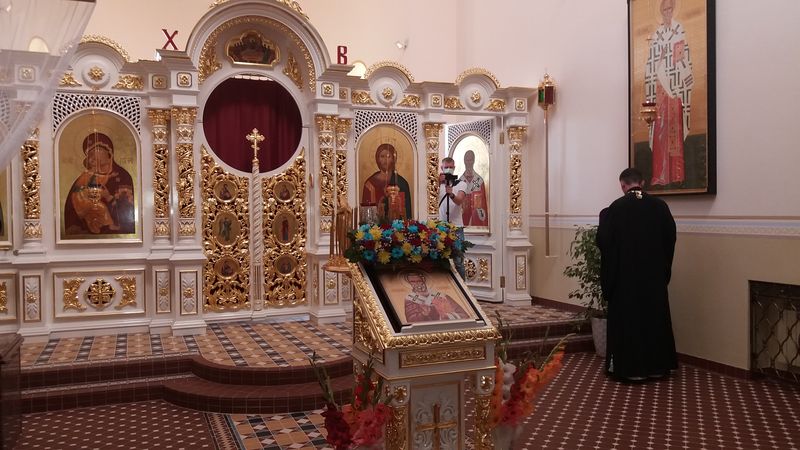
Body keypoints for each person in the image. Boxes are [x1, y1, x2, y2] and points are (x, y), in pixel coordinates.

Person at [597, 168, 677, 382]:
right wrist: (661, 270)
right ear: (642, 182)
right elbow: (670, 238)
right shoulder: (660, 206)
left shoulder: (616, 208)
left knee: (629, 322)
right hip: (654, 279)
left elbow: (604, 241)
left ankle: (631, 370)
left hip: (625, 280)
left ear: (622, 185)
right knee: (655, 320)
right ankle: (657, 368)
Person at [645, 0, 694, 187]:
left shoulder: (679, 29)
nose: (667, 12)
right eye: (664, 10)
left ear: (673, 10)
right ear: (661, 11)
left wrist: (675, 60)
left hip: (674, 89)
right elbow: (651, 63)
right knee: (660, 131)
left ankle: (676, 174)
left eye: (669, 9)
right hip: (660, 89)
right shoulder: (657, 34)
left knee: (674, 130)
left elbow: (683, 57)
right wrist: (660, 57)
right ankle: (660, 175)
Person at [64, 132, 135, 236]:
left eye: (96, 151)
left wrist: (108, 197)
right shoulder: (86, 177)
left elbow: (128, 212)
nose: (92, 157)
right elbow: (71, 214)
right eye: (89, 154)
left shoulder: (123, 176)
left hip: (116, 234)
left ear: (109, 151)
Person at [361, 143, 412, 220]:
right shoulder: (370, 184)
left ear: (393, 159)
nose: (385, 160)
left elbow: (406, 214)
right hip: (374, 226)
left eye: (388, 156)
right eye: (382, 156)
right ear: (377, 159)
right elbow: (366, 215)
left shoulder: (402, 183)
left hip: (396, 225)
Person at [402, 270, 469, 324]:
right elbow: (411, 319)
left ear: (423, 280)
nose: (416, 284)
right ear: (409, 283)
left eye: (419, 281)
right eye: (412, 282)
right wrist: (423, 314)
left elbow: (464, 315)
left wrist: (446, 316)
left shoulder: (441, 295)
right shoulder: (410, 299)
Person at [439, 157, 468, 280]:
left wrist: (451, 194)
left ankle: (463, 288)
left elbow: (459, 200)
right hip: (440, 227)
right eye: (446, 167)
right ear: (442, 168)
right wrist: (438, 182)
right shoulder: (437, 184)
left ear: (454, 168)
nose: (448, 169)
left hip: (456, 227)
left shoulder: (461, 184)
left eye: (451, 167)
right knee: (441, 259)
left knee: (458, 261)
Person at [459, 150, 488, 227]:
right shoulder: (460, 181)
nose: (469, 162)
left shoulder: (479, 181)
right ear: (464, 161)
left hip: (476, 221)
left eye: (471, 160)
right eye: (467, 160)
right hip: (463, 219)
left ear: (474, 161)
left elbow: (483, 206)